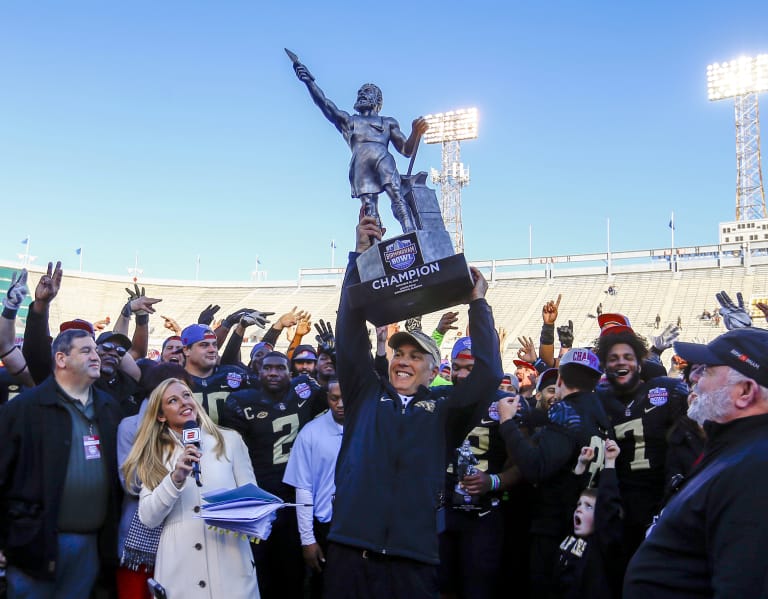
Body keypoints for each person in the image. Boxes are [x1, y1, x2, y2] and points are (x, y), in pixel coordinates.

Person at [322, 214, 503, 599]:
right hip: (350, 549)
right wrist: (359, 259)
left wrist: (479, 304)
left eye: (416, 356)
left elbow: (488, 376)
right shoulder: (364, 394)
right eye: (399, 353)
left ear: (433, 370)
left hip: (414, 557)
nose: (404, 360)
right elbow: (348, 330)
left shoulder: (445, 410)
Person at [624, 328, 768, 597]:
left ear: (745, 391)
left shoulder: (756, 468)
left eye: (708, 371)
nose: (693, 378)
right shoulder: (734, 450)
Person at [0, 329, 124, 597]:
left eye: (95, 349)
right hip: (33, 542)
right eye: (86, 350)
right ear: (61, 358)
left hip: (90, 545)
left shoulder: (109, 408)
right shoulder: (24, 409)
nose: (97, 355)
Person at [123, 377, 260, 597]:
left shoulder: (229, 440)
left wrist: (238, 512)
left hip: (230, 561)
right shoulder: (154, 454)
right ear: (160, 415)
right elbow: (148, 517)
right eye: (173, 400)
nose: (184, 402)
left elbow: (252, 501)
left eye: (187, 395)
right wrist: (175, 478)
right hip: (180, 568)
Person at [498, 348, 612, 596]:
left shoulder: (566, 410)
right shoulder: (601, 415)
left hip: (554, 527)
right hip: (583, 525)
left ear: (560, 380)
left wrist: (507, 423)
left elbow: (537, 468)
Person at [219, 351, 326, 599]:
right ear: (258, 371)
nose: (273, 373)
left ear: (290, 372)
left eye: (280, 368)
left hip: (293, 495)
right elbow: (233, 453)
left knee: (292, 569)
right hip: (259, 495)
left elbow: (335, 392)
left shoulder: (305, 392)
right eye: (268, 368)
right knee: (259, 567)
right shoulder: (241, 401)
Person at [292, 58, 428, 233]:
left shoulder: (387, 122)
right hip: (360, 163)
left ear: (377, 100)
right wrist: (309, 82)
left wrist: (416, 133)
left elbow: (406, 150)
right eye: (360, 91)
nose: (362, 94)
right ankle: (373, 243)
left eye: (367, 91)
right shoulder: (349, 121)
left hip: (382, 159)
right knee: (368, 206)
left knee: (396, 193)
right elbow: (324, 103)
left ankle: (410, 231)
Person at [593, 318, 689, 560]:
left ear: (639, 362)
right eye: (613, 359)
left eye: (628, 357)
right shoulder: (598, 402)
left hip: (662, 500)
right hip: (619, 506)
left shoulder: (665, 390)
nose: (621, 362)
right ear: (604, 366)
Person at [283, 377, 345, 599]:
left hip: (360, 526)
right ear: (327, 398)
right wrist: (307, 539)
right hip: (326, 527)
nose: (340, 404)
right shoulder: (311, 433)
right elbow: (303, 488)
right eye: (334, 398)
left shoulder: (370, 429)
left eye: (345, 398)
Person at [553, 440, 623, 599]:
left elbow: (608, 508)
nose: (579, 509)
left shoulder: (602, 544)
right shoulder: (570, 534)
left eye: (589, 507)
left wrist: (610, 462)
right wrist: (581, 464)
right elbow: (569, 498)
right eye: (580, 505)